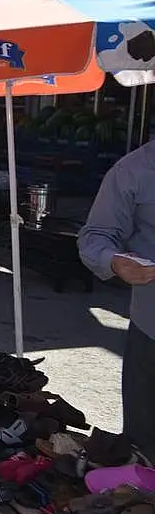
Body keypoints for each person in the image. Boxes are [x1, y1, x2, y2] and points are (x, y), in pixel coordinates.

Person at [78, 147, 155, 458]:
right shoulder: (133, 171)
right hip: (151, 332)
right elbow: (96, 236)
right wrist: (114, 261)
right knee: (144, 448)